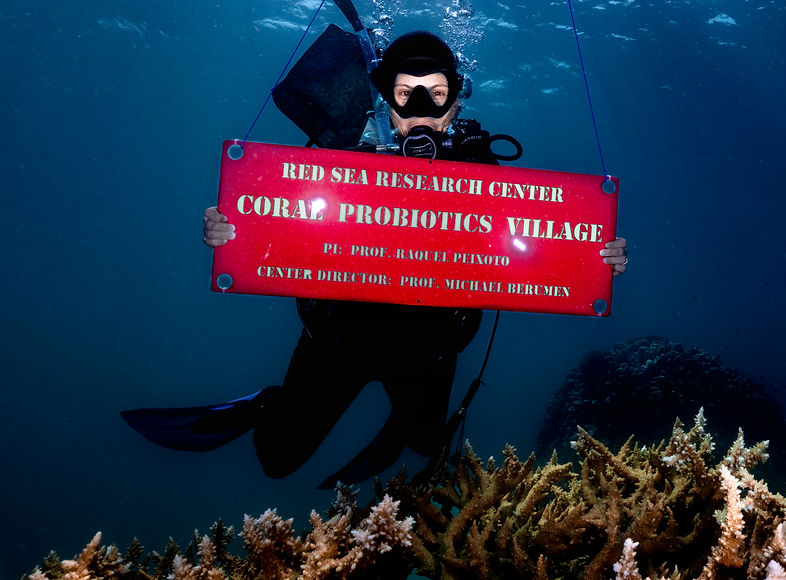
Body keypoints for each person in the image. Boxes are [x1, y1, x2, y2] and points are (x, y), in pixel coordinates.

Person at [123, 31, 628, 489]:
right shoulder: (340, 152)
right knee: (277, 461)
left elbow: (536, 242)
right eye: (407, 94)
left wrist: (596, 257)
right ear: (387, 99)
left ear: (456, 102)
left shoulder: (481, 167)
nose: (422, 107)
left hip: (428, 346)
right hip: (341, 339)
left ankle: (402, 426)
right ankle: (265, 407)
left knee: (427, 446)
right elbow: (274, 216)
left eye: (437, 92)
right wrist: (226, 232)